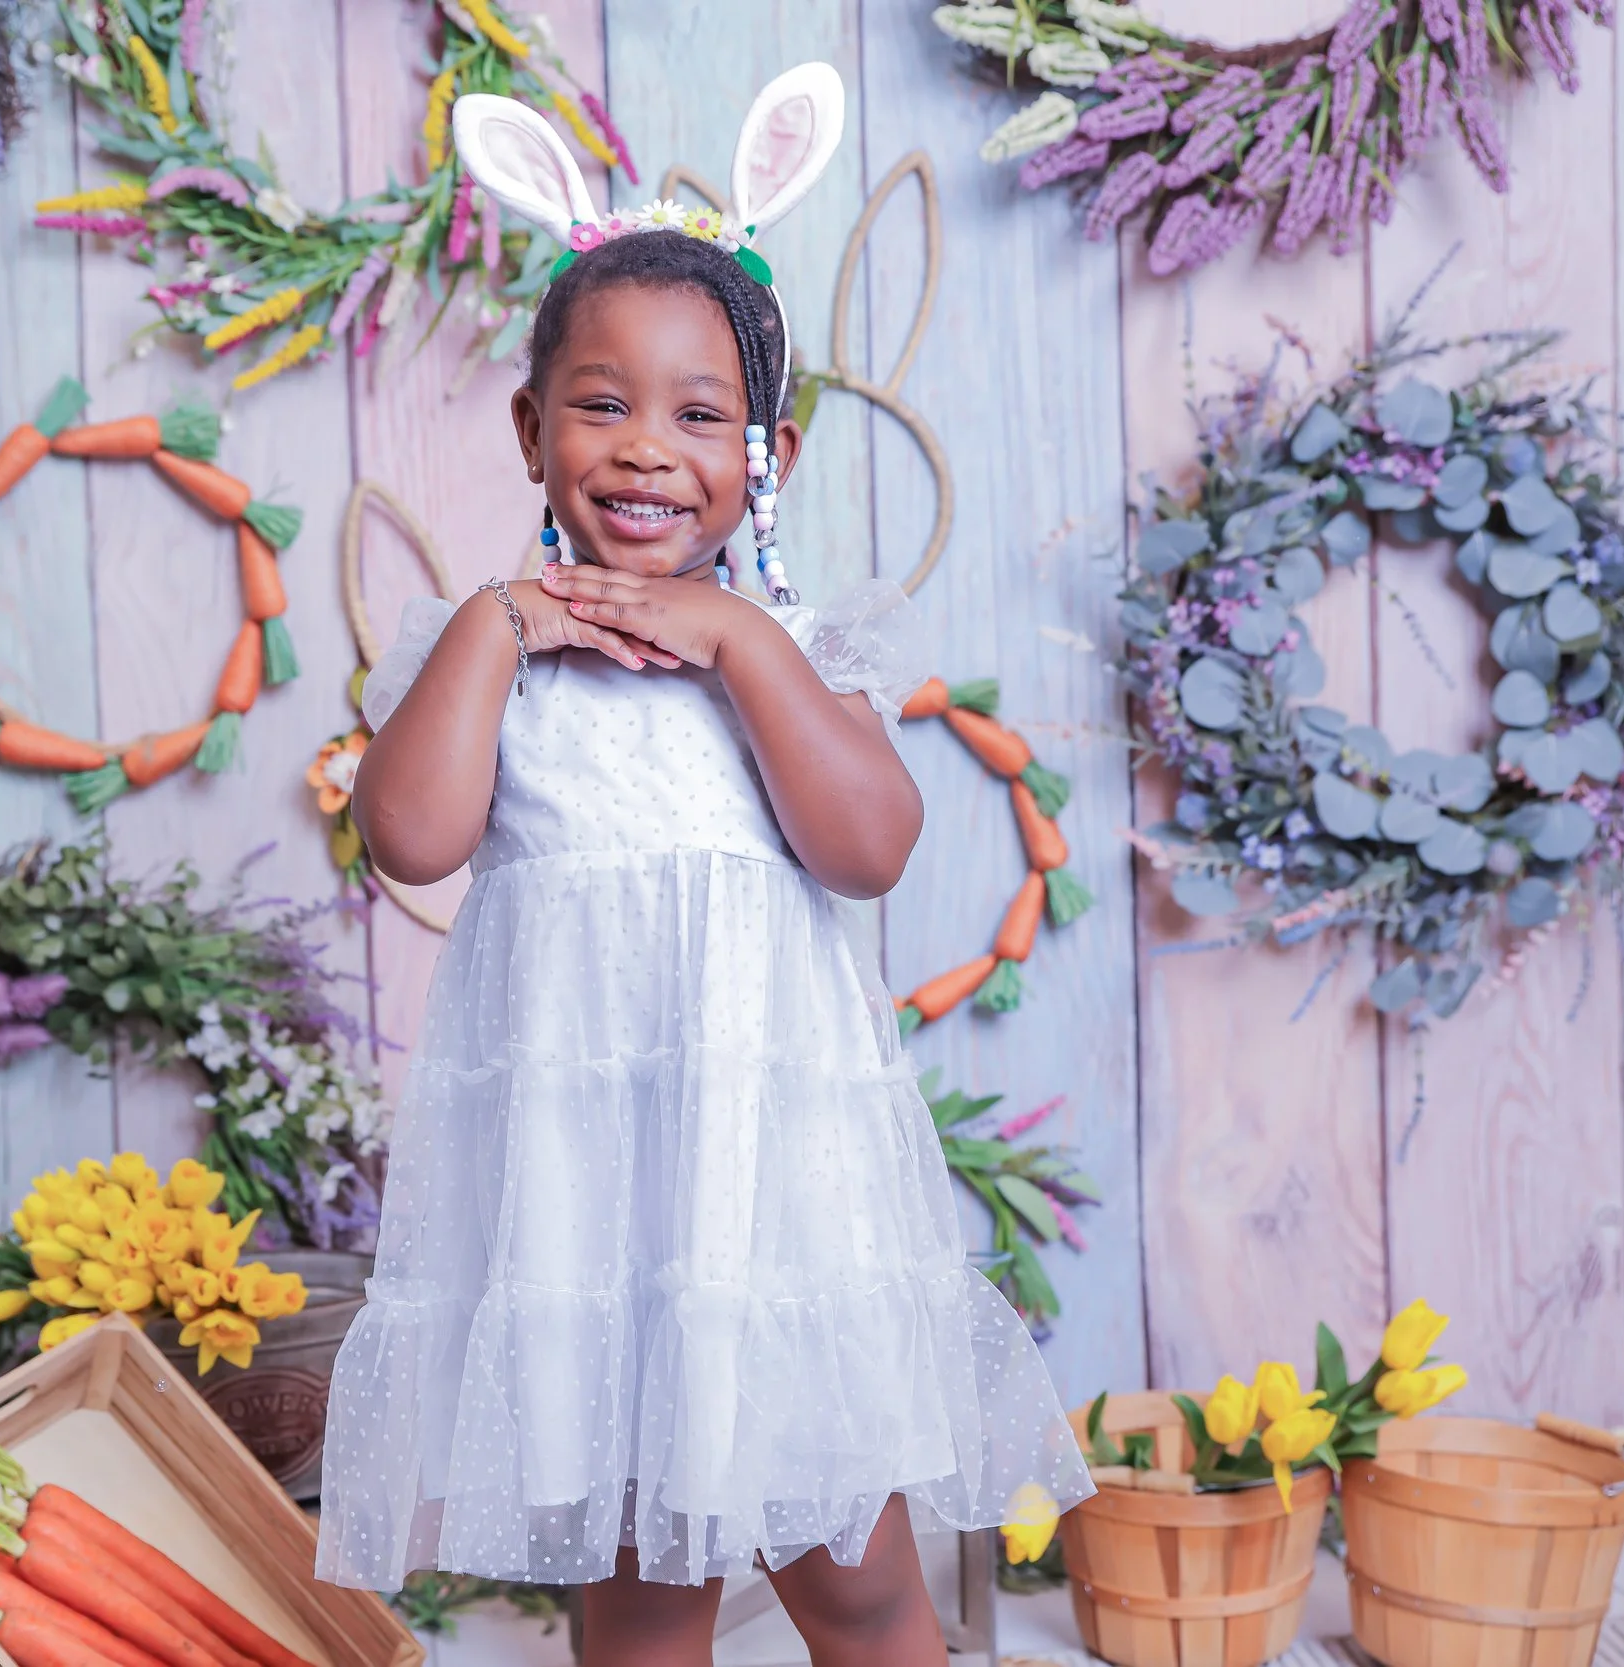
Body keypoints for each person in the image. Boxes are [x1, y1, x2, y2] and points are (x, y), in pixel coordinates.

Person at [314, 66, 1090, 1665]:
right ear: (533, 433)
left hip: (781, 1211)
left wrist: (739, 641)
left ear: (767, 450)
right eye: (601, 405)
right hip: (592, 1216)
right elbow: (411, 835)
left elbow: (870, 847)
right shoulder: (500, 654)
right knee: (642, 1592)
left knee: (862, 1575)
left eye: (698, 414)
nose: (647, 449)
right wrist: (491, 626)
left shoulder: (795, 647)